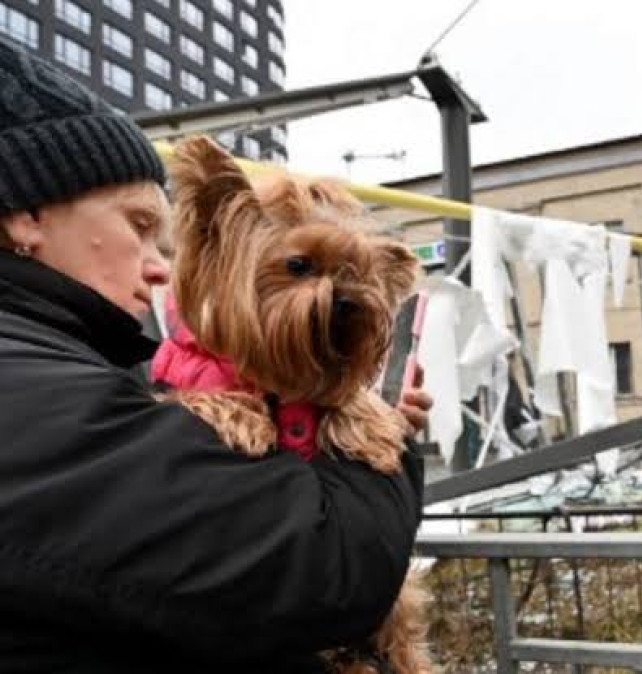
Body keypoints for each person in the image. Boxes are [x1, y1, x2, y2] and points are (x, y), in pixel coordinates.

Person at [0, 38, 432, 673]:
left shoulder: (80, 361)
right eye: (139, 226)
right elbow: (328, 565)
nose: (159, 268)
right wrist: (378, 428)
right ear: (27, 216)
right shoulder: (28, 386)